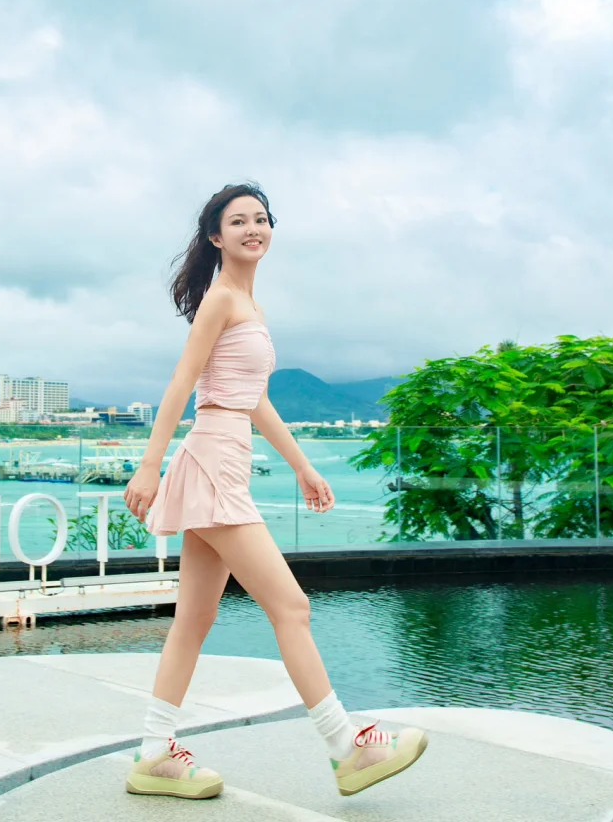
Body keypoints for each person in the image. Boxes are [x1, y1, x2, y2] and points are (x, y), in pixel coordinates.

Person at [121, 182, 427, 800]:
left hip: (227, 459)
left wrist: (304, 466)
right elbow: (182, 382)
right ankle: (347, 748)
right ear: (216, 237)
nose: (253, 229)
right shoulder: (220, 301)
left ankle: (154, 754)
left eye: (261, 220)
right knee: (292, 608)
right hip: (211, 461)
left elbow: (254, 398)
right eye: (239, 221)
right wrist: (148, 467)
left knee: (195, 618)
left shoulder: (247, 306)